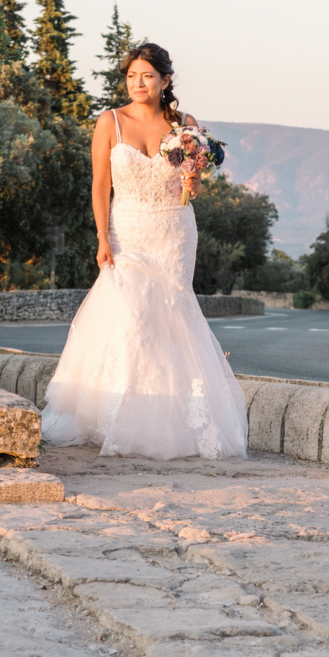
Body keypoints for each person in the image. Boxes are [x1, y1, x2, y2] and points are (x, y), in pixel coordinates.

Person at [40, 43, 249, 459]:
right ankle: (118, 415)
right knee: (130, 313)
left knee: (170, 317)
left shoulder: (185, 125)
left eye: (147, 75)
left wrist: (194, 182)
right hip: (127, 231)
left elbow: (194, 185)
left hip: (175, 230)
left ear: (165, 80)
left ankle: (172, 422)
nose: (138, 82)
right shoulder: (110, 122)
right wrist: (102, 236)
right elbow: (100, 185)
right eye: (132, 75)